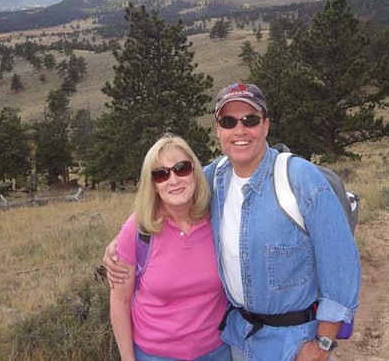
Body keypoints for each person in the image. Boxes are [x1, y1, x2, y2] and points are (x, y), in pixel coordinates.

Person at [105, 84, 361, 361]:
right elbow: (168, 193)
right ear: (218, 130)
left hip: (296, 343)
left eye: (249, 119)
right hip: (238, 341)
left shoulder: (300, 178)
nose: (239, 130)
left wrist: (322, 344)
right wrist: (119, 243)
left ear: (266, 125)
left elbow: (341, 266)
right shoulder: (213, 179)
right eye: (228, 121)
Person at [108, 133, 231, 361]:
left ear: (195, 172)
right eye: (161, 174)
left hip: (217, 351)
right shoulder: (138, 229)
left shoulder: (217, 219)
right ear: (153, 185)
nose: (173, 180)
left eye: (182, 168)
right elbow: (120, 301)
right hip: (155, 355)